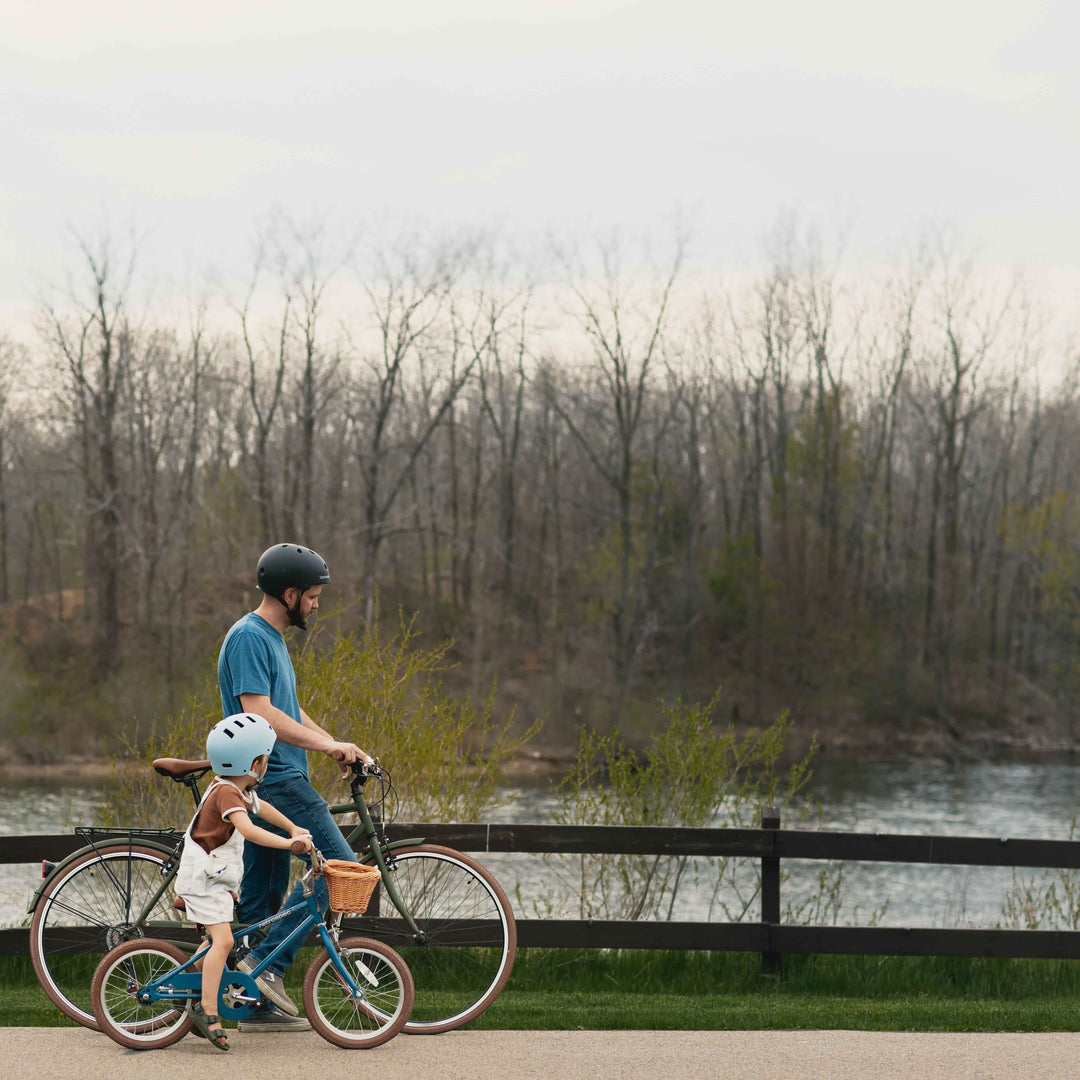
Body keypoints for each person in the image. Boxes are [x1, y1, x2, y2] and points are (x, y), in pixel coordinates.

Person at [217, 542, 372, 1033]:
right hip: (276, 778)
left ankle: (251, 999)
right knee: (338, 870)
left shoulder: (272, 640)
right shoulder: (249, 638)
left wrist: (336, 744)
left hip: (279, 775)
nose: (317, 604)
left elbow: (287, 710)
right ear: (289, 593)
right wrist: (328, 748)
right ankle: (268, 968)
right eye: (313, 595)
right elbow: (259, 712)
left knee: (264, 895)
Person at [174, 712, 314, 1051]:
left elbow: (262, 810)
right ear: (254, 763)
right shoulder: (226, 794)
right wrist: (289, 843)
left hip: (214, 881)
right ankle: (209, 1011)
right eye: (264, 758)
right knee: (222, 943)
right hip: (203, 882)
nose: (265, 764)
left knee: (214, 944)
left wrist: (293, 827)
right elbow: (250, 829)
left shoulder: (235, 788)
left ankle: (187, 992)